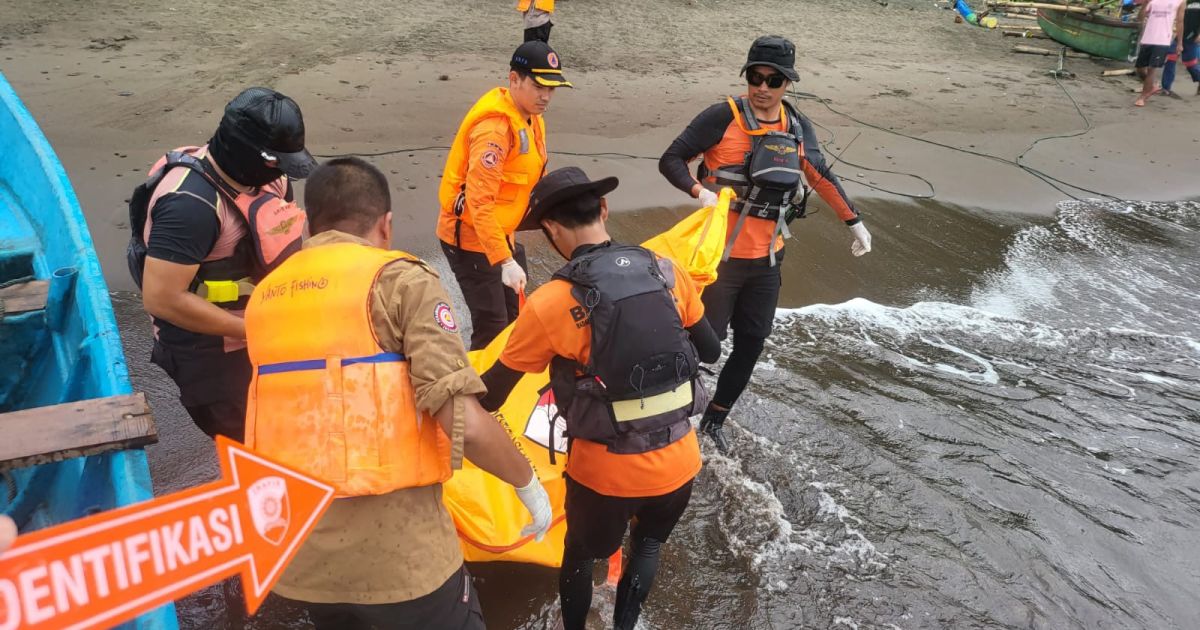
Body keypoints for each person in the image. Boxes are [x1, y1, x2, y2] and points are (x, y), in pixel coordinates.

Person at [244, 157, 553, 630]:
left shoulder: (265, 297)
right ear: (386, 225)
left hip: (296, 557)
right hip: (401, 560)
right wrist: (527, 485)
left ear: (309, 225)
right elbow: (463, 420)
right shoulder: (400, 279)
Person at [477, 167, 721, 630]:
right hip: (680, 462)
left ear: (550, 228)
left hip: (604, 477)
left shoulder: (551, 301)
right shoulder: (666, 271)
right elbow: (709, 350)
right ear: (604, 210)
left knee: (580, 554)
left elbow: (492, 395)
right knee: (648, 545)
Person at [658, 35, 872, 454]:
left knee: (751, 344)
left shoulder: (796, 126)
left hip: (768, 261)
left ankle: (714, 420)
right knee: (703, 346)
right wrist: (698, 191)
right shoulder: (722, 116)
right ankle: (667, 420)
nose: (762, 87)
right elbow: (671, 159)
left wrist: (854, 222)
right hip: (718, 260)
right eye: (755, 77)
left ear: (787, 83)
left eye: (773, 80)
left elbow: (819, 174)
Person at [127, 87, 314, 441]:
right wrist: (252, 331)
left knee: (293, 430)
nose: (282, 173)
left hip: (265, 332)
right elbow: (162, 298)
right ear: (247, 153)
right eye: (276, 162)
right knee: (255, 444)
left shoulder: (271, 179)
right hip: (211, 355)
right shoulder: (189, 207)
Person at [436, 40, 572, 350]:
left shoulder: (532, 118)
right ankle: (479, 379)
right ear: (514, 79)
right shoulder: (494, 131)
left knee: (516, 317)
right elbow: (479, 204)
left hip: (501, 233)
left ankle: (508, 373)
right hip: (470, 238)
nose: (546, 96)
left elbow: (535, 176)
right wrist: (505, 261)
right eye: (539, 86)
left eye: (552, 88)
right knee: (492, 326)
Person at [1135, 0, 1187, 106]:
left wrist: (1179, 43)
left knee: (1151, 68)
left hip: (1163, 40)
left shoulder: (1180, 1)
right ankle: (1151, 86)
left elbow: (1180, 22)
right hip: (1147, 38)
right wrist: (1145, 4)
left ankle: (1143, 97)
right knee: (1140, 69)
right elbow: (1140, 18)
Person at [1162, 1, 1200, 96]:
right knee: (1170, 59)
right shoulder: (1182, 3)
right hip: (1179, 36)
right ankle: (1166, 88)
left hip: (1192, 37)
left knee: (1190, 65)